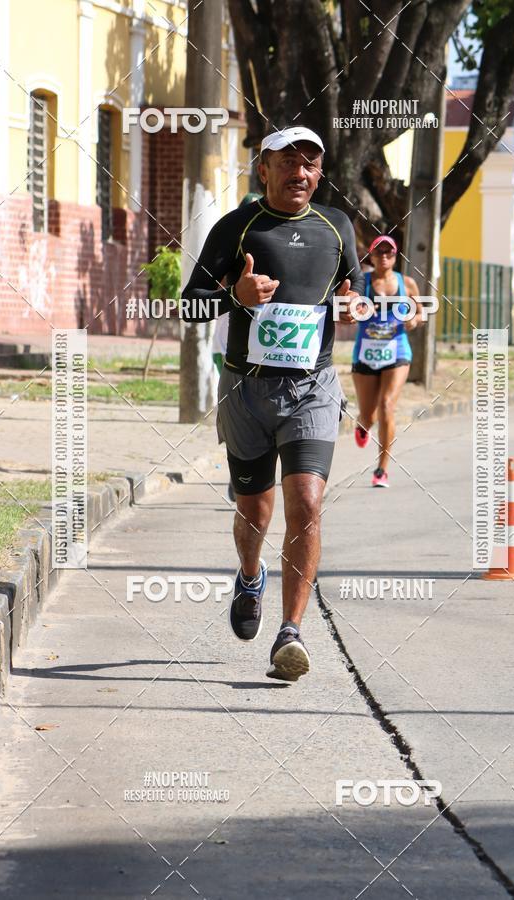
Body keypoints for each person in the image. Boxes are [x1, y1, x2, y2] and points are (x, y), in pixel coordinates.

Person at [183, 126, 364, 682]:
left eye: (311, 163)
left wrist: (356, 305)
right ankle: (249, 573)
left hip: (312, 388)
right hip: (247, 391)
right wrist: (233, 296)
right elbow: (190, 307)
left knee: (306, 502)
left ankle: (291, 632)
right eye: (289, 161)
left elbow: (354, 291)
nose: (301, 172)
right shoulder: (236, 228)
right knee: (254, 510)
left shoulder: (337, 227)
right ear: (264, 168)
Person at [351, 235, 423, 487]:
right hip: (366, 352)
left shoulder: (407, 284)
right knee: (368, 414)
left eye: (389, 253)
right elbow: (350, 308)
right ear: (370, 256)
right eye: (379, 252)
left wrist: (412, 321)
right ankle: (363, 425)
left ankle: (382, 468)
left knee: (387, 405)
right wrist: (356, 311)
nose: (384, 256)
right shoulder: (362, 282)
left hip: (397, 351)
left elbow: (419, 314)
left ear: (395, 257)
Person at [211, 193, 263, 502]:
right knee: (238, 412)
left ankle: (254, 474)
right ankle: (238, 474)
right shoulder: (228, 248)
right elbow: (205, 291)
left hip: (265, 347)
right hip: (226, 346)